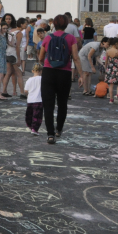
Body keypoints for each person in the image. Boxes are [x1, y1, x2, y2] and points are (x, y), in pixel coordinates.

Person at [38, 14, 80, 144]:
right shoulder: (71, 38)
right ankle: (59, 129)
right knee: (62, 103)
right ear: (66, 25)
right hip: (64, 73)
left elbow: (40, 57)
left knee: (48, 104)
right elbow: (76, 57)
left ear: (54, 25)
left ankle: (50, 134)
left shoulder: (48, 37)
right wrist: (82, 75)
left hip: (49, 72)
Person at [104, 38, 118, 104]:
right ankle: (117, 95)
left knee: (111, 85)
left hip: (110, 68)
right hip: (117, 68)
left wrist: (106, 68)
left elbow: (106, 61)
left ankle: (111, 99)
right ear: (116, 44)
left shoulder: (108, 51)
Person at [24, 63, 43, 136]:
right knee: (37, 116)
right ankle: (35, 129)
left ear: (32, 71)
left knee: (29, 114)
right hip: (39, 100)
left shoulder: (29, 80)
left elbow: (26, 91)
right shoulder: (42, 79)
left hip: (30, 100)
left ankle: (30, 125)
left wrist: (27, 95)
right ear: (41, 71)